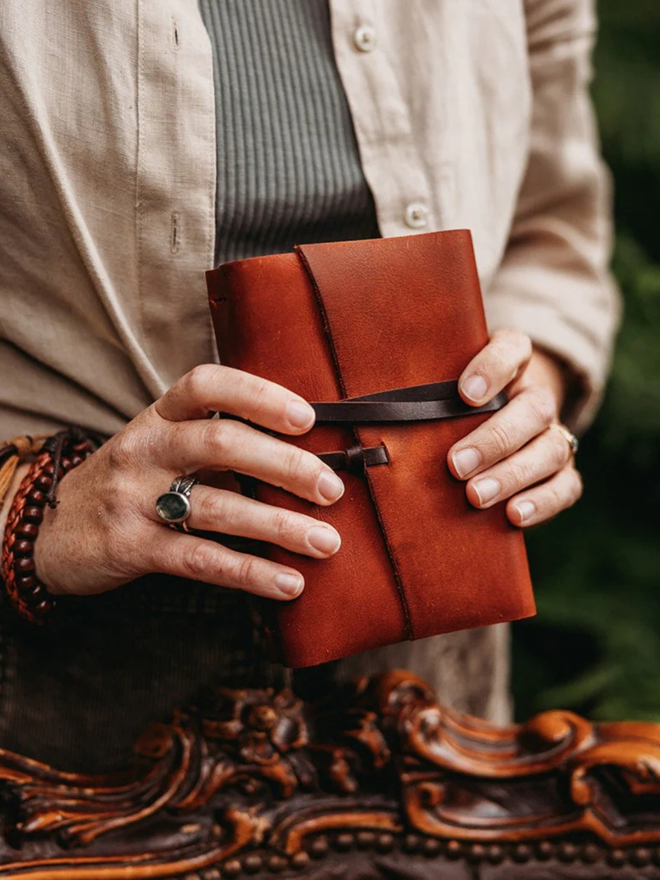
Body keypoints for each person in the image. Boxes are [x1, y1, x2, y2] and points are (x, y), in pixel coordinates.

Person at [0, 0, 619, 773]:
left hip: (441, 626)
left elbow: (551, 225)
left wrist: (529, 390)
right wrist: (30, 513)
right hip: (69, 656)